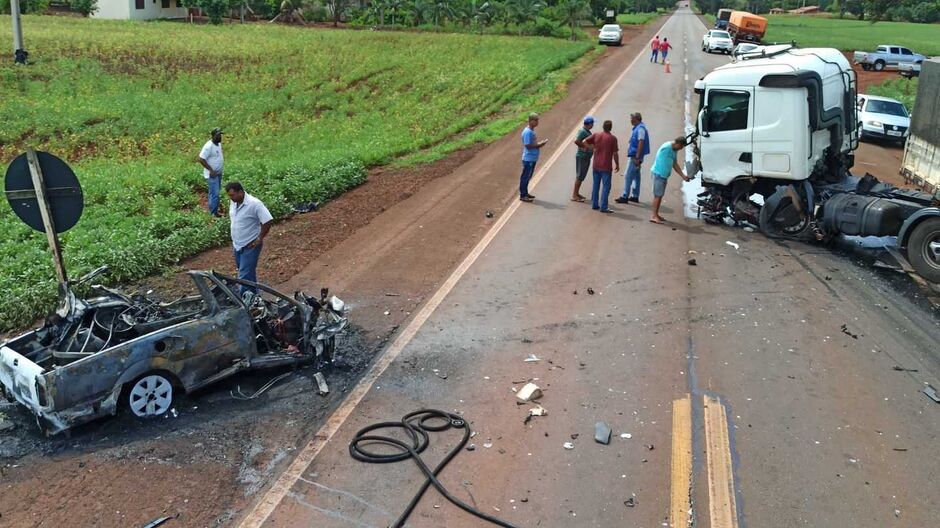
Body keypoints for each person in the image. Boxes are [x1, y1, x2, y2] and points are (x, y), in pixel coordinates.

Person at [226, 181, 273, 293]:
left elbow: (267, 220)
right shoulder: (234, 202)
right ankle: (253, 298)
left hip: (250, 245)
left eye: (233, 195)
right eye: (229, 196)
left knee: (244, 276)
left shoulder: (254, 204)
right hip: (237, 245)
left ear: (241, 192)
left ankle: (244, 303)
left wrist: (260, 238)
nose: (231, 198)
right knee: (248, 274)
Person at [649, 137, 690, 224]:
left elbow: (674, 164)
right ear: (678, 144)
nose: (680, 149)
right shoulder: (666, 148)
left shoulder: (674, 150)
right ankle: (653, 216)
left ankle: (656, 214)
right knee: (657, 195)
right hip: (659, 174)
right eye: (681, 147)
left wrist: (683, 176)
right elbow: (661, 161)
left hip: (663, 176)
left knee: (660, 195)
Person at [584, 120, 620, 214]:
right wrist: (617, 164)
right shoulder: (613, 139)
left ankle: (594, 204)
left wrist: (591, 148)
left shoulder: (596, 135)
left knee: (596, 185)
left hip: (596, 165)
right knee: (606, 187)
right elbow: (615, 153)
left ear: (603, 127)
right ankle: (603, 206)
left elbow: (585, 141)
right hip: (606, 166)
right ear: (611, 128)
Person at [616, 112, 650, 204]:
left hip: (635, 157)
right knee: (636, 176)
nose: (630, 120)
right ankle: (635, 196)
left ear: (636, 119)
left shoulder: (640, 129)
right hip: (635, 156)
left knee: (628, 176)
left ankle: (625, 196)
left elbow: (641, 142)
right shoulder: (638, 128)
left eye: (632, 119)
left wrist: (637, 157)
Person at [519, 113, 548, 203]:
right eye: (535, 120)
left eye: (537, 120)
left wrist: (538, 144)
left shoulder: (531, 131)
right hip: (528, 159)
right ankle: (523, 195)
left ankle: (525, 193)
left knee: (528, 177)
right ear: (530, 121)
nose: (537, 122)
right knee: (525, 177)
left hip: (532, 158)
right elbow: (527, 145)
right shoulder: (528, 132)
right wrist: (540, 144)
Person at [198, 128, 225, 217]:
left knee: (213, 192)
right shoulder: (208, 146)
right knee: (215, 194)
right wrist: (211, 170)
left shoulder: (219, 144)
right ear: (213, 136)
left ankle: (212, 210)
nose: (220, 137)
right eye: (218, 135)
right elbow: (201, 159)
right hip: (212, 175)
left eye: (220, 135)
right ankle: (214, 213)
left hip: (218, 173)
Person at [572, 116, 595, 202]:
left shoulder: (587, 131)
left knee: (582, 176)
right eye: (592, 123)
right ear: (589, 124)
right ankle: (574, 195)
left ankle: (577, 193)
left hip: (585, 157)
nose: (593, 125)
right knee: (580, 175)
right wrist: (584, 147)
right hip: (582, 156)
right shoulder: (582, 131)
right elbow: (576, 141)